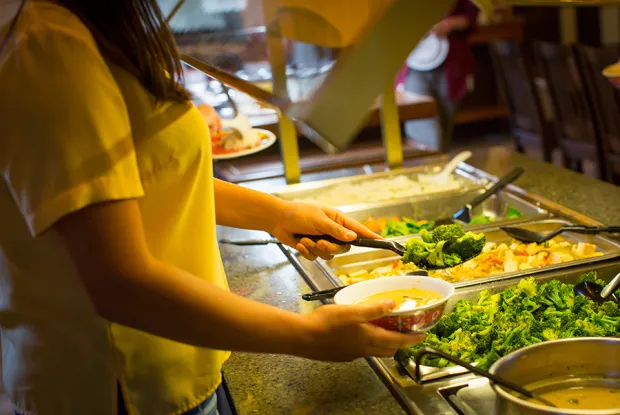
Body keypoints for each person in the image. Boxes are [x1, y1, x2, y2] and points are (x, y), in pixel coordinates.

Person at [0, 1, 426, 414]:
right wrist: (308, 335)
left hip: (181, 358)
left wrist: (277, 215)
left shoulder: (101, 22)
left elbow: (149, 175)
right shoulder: (51, 44)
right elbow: (117, 280)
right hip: (121, 387)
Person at [403, 0, 479, 153]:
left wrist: (449, 24)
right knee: (423, 124)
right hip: (412, 65)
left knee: (444, 125)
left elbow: (471, 15)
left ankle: (438, 166)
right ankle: (431, 165)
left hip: (451, 63)